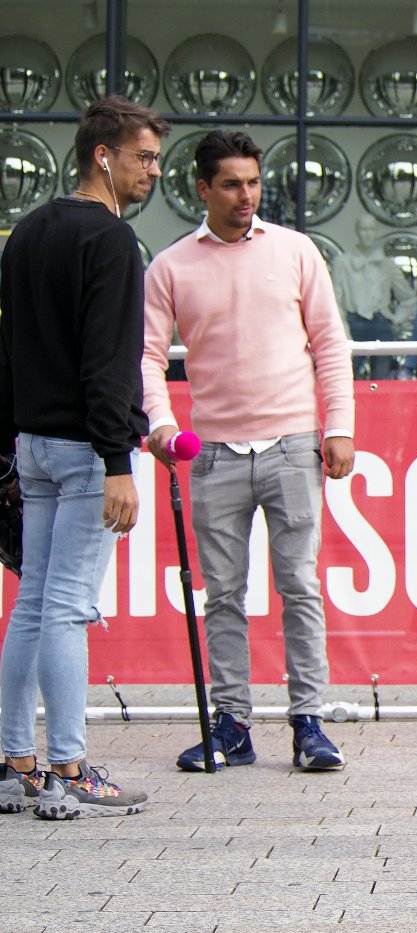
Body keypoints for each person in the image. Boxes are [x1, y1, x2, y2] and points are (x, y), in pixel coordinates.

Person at [142, 130, 356, 772]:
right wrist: (159, 420)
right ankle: (231, 725)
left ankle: (309, 724)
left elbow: (330, 343)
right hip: (211, 454)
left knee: (300, 586)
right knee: (224, 595)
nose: (245, 195)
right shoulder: (171, 265)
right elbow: (148, 357)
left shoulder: (295, 251)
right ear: (202, 188)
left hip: (292, 445)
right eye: (231, 184)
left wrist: (338, 425)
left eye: (253, 183)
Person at [0, 96, 168, 818]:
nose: (153, 171)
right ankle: (68, 766)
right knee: (67, 609)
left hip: (31, 443)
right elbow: (110, 361)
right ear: (104, 155)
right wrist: (118, 460)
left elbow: (8, 353)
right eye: (145, 156)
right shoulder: (109, 242)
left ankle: (17, 760)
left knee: (33, 607)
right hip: (81, 449)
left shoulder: (27, 232)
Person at [330, 215, 415, 381]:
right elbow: (335, 300)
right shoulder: (343, 262)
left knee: (382, 381)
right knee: (347, 377)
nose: (367, 234)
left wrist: (396, 319)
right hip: (353, 323)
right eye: (363, 229)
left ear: (377, 232)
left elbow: (408, 298)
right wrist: (343, 330)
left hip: (380, 323)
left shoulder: (387, 264)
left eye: (371, 229)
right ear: (357, 232)